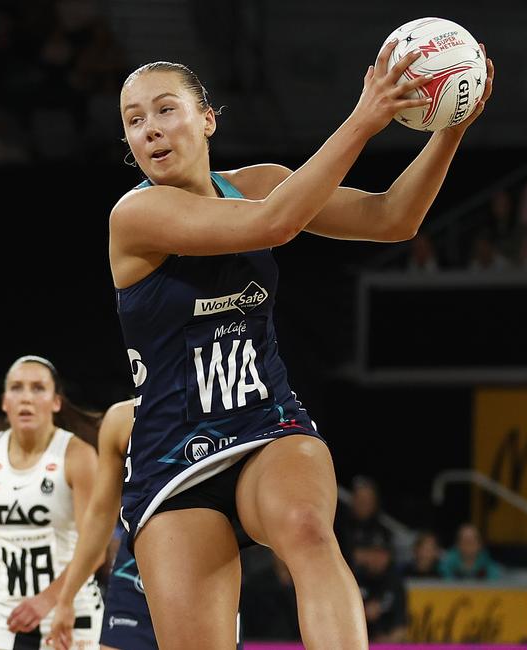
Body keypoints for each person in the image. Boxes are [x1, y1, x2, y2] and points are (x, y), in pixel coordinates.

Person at [107, 43, 494, 650]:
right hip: (170, 452)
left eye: (164, 110)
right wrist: (365, 118)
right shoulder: (136, 215)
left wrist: (451, 129)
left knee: (309, 531)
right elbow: (274, 226)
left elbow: (394, 218)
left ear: (207, 119)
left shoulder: (258, 184)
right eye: (134, 120)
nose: (150, 129)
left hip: (266, 422)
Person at [0, 355, 104, 650]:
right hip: (2, 611)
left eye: (38, 388)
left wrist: (49, 600)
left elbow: (96, 547)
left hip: (71, 608)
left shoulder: (78, 456)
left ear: (56, 402)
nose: (26, 397)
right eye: (16, 388)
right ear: (4, 402)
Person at [49, 400, 245, 650]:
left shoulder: (236, 413)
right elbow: (100, 517)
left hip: (209, 572)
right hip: (133, 573)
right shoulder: (121, 418)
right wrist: (66, 599)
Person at [352, 533, 407, 643]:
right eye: (373, 553)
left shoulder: (395, 583)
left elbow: (401, 626)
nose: (377, 558)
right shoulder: (352, 579)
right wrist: (362, 613)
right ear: (366, 555)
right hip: (356, 642)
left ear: (388, 557)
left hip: (387, 644)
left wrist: (388, 642)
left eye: (382, 554)